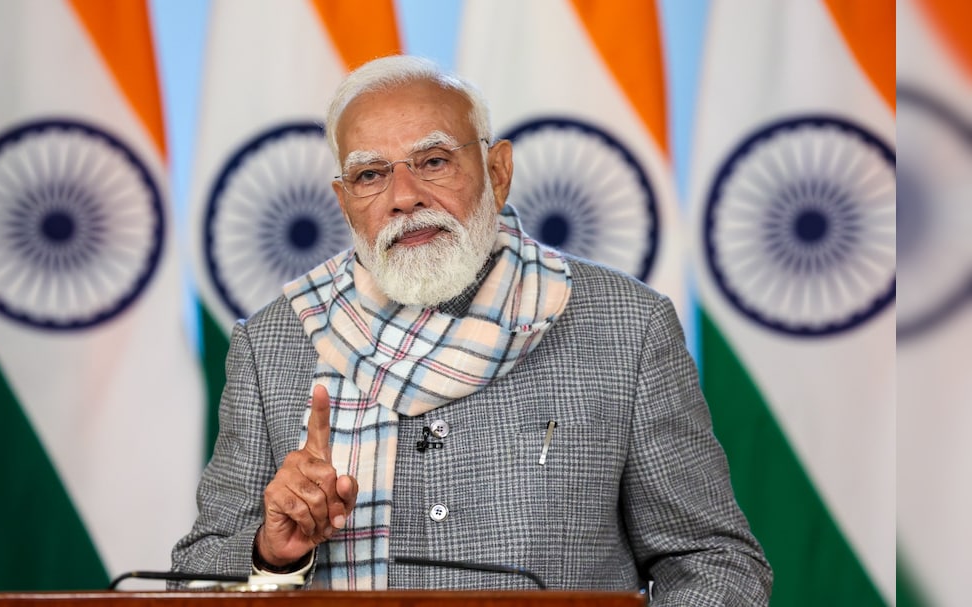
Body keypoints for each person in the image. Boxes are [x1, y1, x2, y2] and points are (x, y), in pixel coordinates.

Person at [172, 55, 772, 604]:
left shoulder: (627, 326)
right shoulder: (272, 344)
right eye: (371, 175)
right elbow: (195, 576)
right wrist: (270, 554)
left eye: (433, 162)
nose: (404, 198)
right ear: (344, 200)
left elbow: (714, 562)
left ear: (497, 170)